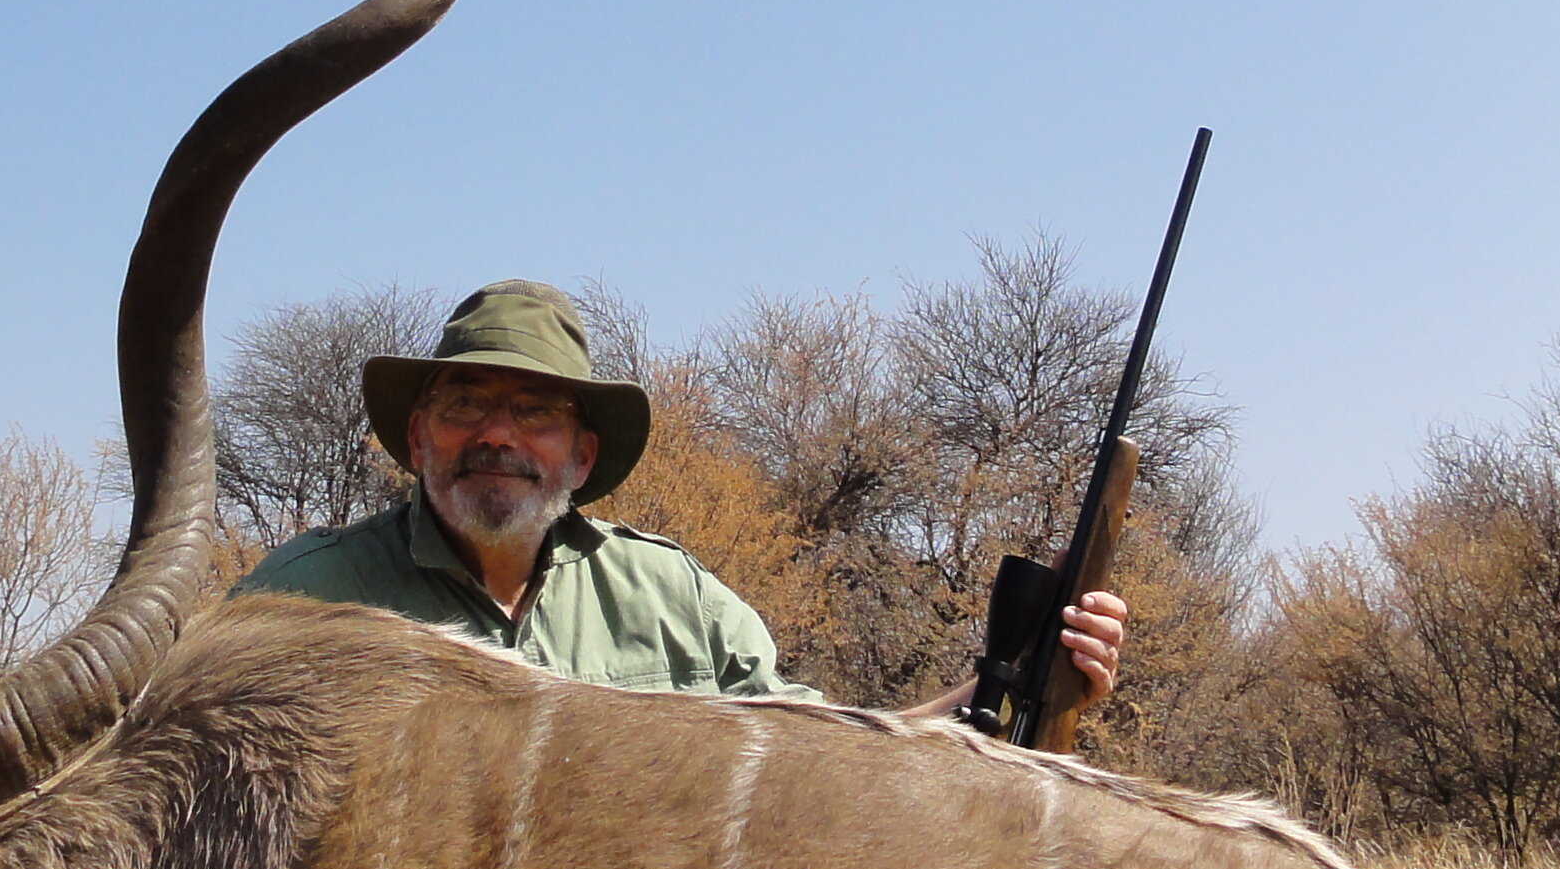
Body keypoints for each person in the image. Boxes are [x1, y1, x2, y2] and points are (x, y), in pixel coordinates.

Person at [230, 278, 1127, 713]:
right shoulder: (301, 600)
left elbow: (831, 763)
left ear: (581, 456)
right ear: (420, 436)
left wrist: (1007, 687)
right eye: (466, 403)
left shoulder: (674, 601)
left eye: (533, 410)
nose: (496, 435)